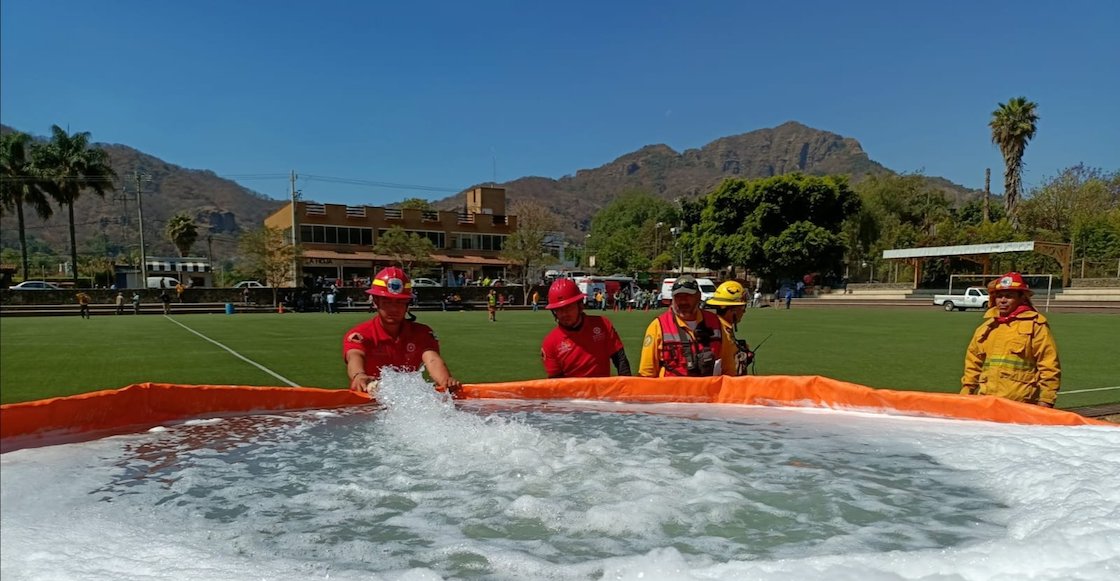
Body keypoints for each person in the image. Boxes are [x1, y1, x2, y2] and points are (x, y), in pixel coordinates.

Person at [342, 267, 461, 395]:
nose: (394, 309)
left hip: (407, 402)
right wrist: (359, 375)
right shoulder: (360, 334)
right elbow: (354, 355)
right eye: (387, 302)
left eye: (400, 302)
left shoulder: (422, 333)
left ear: (407, 304)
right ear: (376, 302)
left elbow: (432, 360)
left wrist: (445, 381)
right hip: (369, 401)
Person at [960, 272, 1061, 407]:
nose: (1003, 300)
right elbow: (973, 363)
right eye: (999, 296)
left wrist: (1047, 399)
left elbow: (1048, 363)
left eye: (1009, 296)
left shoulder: (1035, 326)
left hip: (1021, 404)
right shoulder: (986, 328)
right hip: (987, 402)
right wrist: (966, 393)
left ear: (1021, 298)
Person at [639, 275, 736, 377]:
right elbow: (647, 373)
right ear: (672, 298)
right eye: (678, 296)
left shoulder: (716, 323)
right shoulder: (658, 326)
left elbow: (728, 369)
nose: (683, 301)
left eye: (688, 295)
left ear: (698, 296)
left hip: (707, 387)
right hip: (672, 387)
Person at [540, 278, 631, 378]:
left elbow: (620, 360)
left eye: (568, 307)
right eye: (559, 310)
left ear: (580, 305)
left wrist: (627, 385)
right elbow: (556, 380)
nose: (564, 314)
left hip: (601, 387)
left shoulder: (602, 324)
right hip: (572, 388)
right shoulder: (550, 343)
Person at [706, 281, 754, 375]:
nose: (744, 312)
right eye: (742, 308)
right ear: (733, 310)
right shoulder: (721, 331)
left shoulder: (721, 326)